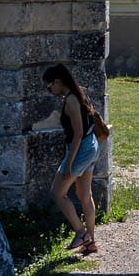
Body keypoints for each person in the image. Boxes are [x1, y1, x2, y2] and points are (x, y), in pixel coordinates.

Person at [43, 62, 100, 255]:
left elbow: (77, 134)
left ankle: (81, 233)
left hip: (81, 149)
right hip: (91, 147)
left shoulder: (71, 100)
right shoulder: (79, 94)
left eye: (49, 85)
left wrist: (68, 163)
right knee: (85, 195)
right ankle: (90, 242)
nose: (49, 90)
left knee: (57, 194)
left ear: (58, 82)